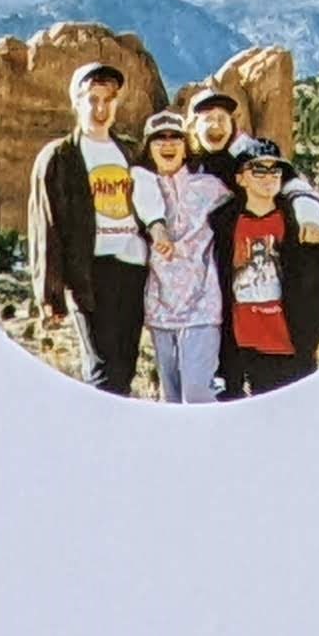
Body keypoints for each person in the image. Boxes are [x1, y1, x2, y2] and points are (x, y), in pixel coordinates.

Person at [26, 60, 159, 394]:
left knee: (125, 364)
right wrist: (49, 292)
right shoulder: (59, 157)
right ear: (77, 102)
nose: (101, 108)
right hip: (89, 274)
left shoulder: (128, 150)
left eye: (108, 99)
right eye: (93, 99)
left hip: (132, 269)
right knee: (101, 370)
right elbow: (46, 226)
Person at [213, 137, 319, 396]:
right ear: (240, 178)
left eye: (275, 169)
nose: (268, 176)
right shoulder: (222, 222)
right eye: (258, 169)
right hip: (238, 347)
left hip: (288, 347)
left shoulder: (299, 223)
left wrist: (309, 333)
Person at [135, 111, 228, 404]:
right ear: (148, 147)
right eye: (158, 138)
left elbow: (258, 191)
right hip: (160, 309)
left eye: (175, 137)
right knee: (172, 401)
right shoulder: (138, 186)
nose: (168, 144)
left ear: (186, 145)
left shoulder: (210, 186)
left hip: (202, 306)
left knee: (199, 397)